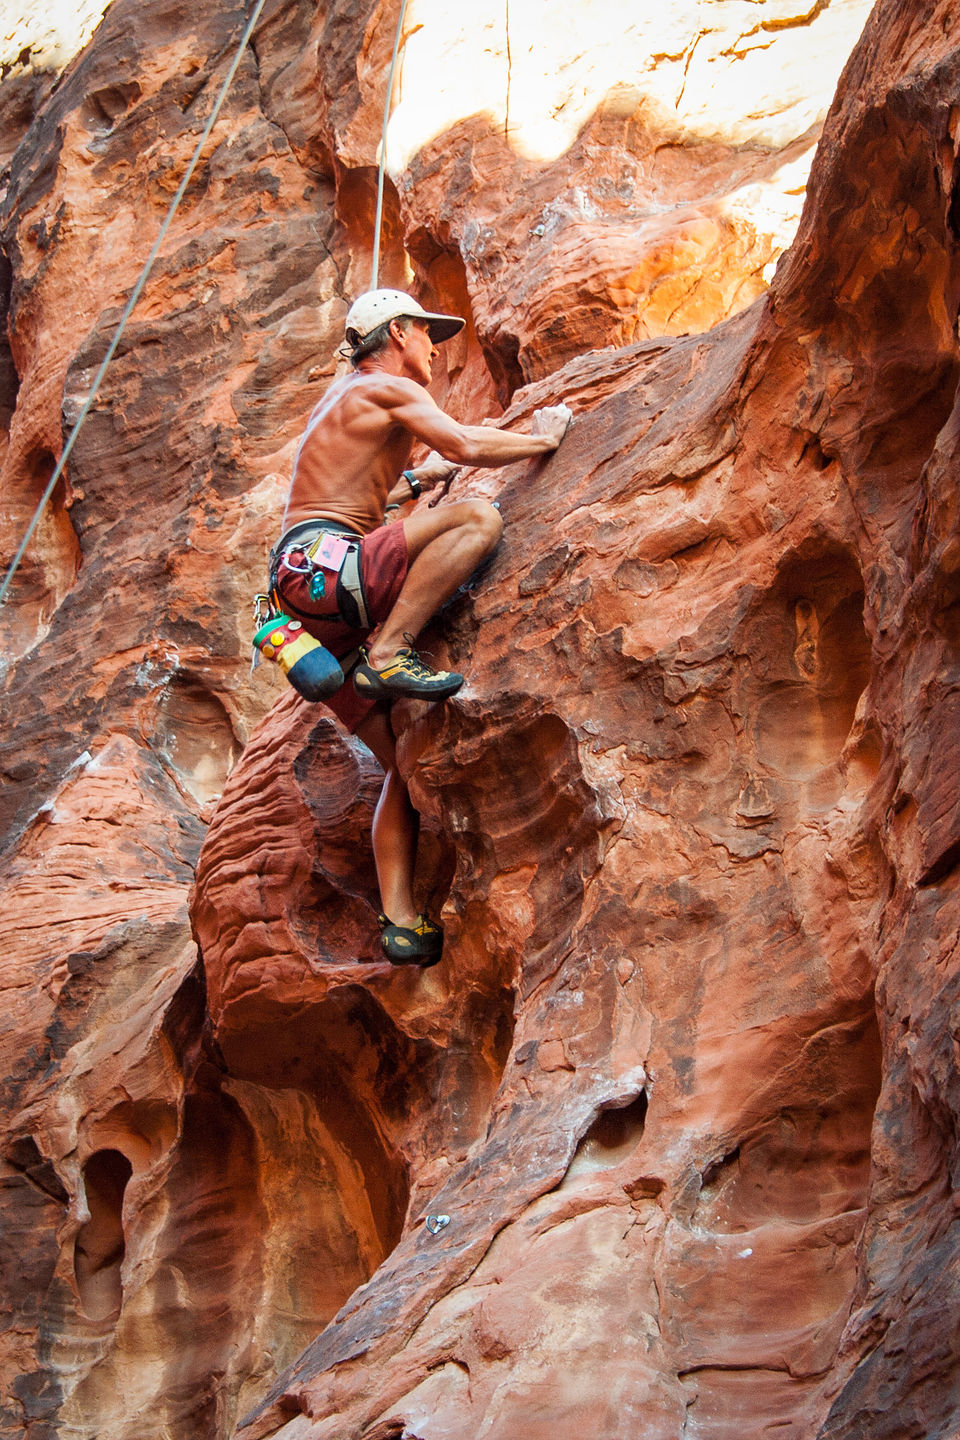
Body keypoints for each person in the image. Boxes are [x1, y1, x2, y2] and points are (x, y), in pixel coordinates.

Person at [268, 288, 571, 965]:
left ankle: (402, 921)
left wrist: (419, 481)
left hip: (304, 599)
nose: (435, 347)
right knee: (476, 521)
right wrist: (543, 437)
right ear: (397, 332)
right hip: (328, 567)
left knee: (403, 761)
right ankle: (392, 648)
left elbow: (388, 474)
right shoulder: (382, 386)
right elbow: (462, 442)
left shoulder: (351, 400)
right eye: (426, 333)